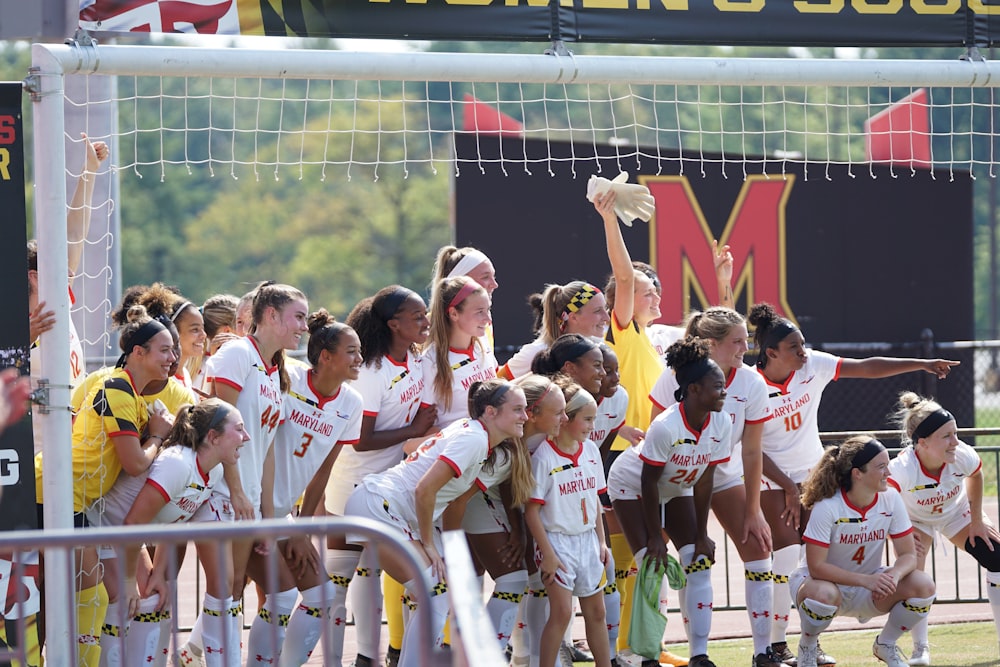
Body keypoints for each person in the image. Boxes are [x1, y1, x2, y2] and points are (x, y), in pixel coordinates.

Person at [748, 302, 958, 666]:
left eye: (803, 344)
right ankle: (773, 648)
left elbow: (867, 367)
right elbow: (748, 447)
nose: (803, 351)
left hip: (813, 476)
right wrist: (784, 486)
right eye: (794, 347)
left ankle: (810, 643)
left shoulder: (811, 365)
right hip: (769, 479)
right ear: (771, 353)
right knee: (783, 563)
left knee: (815, 561)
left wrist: (920, 364)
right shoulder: (751, 384)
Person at [343, 379, 528, 667]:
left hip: (382, 505)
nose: (524, 417)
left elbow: (413, 450)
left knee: (434, 592)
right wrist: (428, 544)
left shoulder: (474, 434)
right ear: (490, 412)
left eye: (526, 410)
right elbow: (423, 489)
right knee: (436, 595)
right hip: (379, 506)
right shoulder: (475, 438)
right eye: (517, 409)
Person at [34, 304, 175, 667]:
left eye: (174, 350)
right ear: (137, 353)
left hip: (71, 501)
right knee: (79, 595)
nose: (172, 358)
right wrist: (158, 436)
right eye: (165, 349)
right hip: (46, 494)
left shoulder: (127, 392)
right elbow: (136, 462)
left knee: (85, 595)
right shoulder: (116, 388)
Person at [179, 282, 307, 666]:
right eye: (297, 316)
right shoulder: (237, 354)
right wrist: (235, 491)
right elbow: (217, 432)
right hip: (218, 491)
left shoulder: (273, 371)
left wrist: (268, 515)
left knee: (244, 589)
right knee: (226, 589)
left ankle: (204, 655)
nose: (304, 325)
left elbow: (264, 450)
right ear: (271, 316)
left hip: (245, 496)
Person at [649, 307, 777, 667]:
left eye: (746, 339)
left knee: (759, 550)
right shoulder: (675, 376)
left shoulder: (751, 382)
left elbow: (753, 451)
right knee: (683, 559)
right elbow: (653, 437)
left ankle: (763, 651)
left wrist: (754, 512)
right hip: (675, 477)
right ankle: (689, 654)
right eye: (737, 341)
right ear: (711, 344)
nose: (746, 347)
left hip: (722, 474)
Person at [322, 285, 436, 667]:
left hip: (391, 485)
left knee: (375, 573)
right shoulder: (371, 369)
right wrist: (415, 429)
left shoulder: (416, 359)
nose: (425, 321)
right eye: (417, 316)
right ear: (393, 324)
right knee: (340, 580)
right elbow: (361, 440)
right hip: (352, 484)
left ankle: (371, 657)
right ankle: (342, 659)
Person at [245, 310, 364, 667]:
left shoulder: (351, 403)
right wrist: (273, 519)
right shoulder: (289, 378)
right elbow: (262, 444)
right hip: (252, 507)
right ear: (325, 357)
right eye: (352, 351)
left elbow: (323, 470)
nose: (360, 359)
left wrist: (304, 528)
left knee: (323, 596)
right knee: (270, 598)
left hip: (284, 515)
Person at [95, 399, 248, 666]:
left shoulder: (213, 471)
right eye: (239, 429)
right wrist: (130, 581)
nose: (246, 437)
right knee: (124, 602)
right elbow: (132, 524)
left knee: (153, 599)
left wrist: (159, 571)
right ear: (213, 437)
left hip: (128, 536)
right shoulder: (178, 464)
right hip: (102, 528)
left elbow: (175, 521)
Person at [608, 337, 731, 667]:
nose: (724, 393)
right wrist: (653, 537)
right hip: (633, 486)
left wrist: (703, 533)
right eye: (716, 387)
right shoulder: (666, 426)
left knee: (699, 562)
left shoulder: (722, 422)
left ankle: (700, 655)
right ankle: (645, 653)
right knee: (652, 565)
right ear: (692, 389)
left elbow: (704, 479)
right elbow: (648, 482)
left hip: (677, 488)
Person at [793, 437, 935, 667]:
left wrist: (893, 576)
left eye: (887, 465)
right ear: (857, 473)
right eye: (881, 467)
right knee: (824, 596)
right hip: (820, 584)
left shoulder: (890, 498)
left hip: (870, 586)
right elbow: (816, 567)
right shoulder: (828, 506)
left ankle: (885, 644)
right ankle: (808, 647)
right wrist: (867, 580)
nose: (888, 472)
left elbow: (909, 555)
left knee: (923, 585)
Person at [887, 393, 1000, 665]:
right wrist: (899, 534)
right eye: (947, 436)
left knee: (996, 557)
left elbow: (976, 474)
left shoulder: (961, 454)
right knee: (916, 579)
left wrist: (975, 520)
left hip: (956, 513)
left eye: (956, 433)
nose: (956, 441)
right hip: (914, 520)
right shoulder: (902, 468)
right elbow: (885, 501)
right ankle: (920, 649)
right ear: (922, 443)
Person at [525, 382, 611, 667]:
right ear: (567, 419)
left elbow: (595, 502)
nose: (591, 426)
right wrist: (547, 553)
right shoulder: (544, 457)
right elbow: (532, 512)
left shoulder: (591, 452)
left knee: (597, 613)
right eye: (586, 419)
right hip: (557, 543)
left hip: (587, 542)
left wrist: (601, 541)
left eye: (594, 419)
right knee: (561, 614)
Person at [499, 281, 610, 380]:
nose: (607, 318)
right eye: (597, 311)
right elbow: (496, 386)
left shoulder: (599, 345)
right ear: (573, 317)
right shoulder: (536, 352)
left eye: (605, 308)